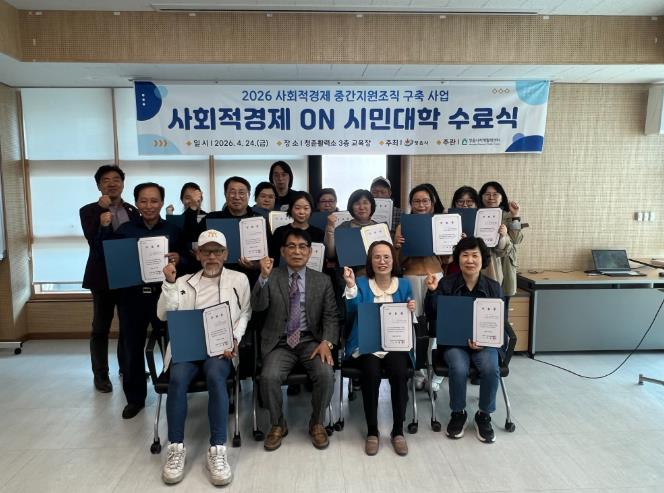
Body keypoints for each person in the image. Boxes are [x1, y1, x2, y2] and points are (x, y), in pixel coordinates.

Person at [156, 229, 251, 486]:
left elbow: (245, 313)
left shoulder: (239, 279)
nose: (212, 257)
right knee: (177, 378)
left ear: (226, 254)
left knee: (215, 375)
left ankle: (217, 449)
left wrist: (235, 338)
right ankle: (176, 447)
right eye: (206, 252)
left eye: (217, 251)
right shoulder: (183, 281)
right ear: (197, 255)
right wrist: (169, 284)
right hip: (187, 348)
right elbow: (164, 314)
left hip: (221, 348)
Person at [100, 182, 186, 419]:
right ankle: (135, 399)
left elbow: (189, 261)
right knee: (132, 348)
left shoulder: (173, 229)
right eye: (144, 201)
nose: (149, 206)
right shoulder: (125, 230)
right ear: (136, 203)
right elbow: (109, 256)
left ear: (161, 202)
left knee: (173, 345)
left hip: (164, 295)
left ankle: (175, 390)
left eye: (154, 201)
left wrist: (180, 259)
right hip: (132, 298)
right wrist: (104, 228)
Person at [251, 229, 339, 451]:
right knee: (268, 377)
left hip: (311, 341)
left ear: (310, 252)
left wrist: (327, 342)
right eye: (291, 246)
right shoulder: (271, 276)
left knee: (326, 374)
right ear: (282, 251)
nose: (297, 251)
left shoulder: (323, 280)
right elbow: (257, 306)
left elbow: (331, 316)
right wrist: (263, 277)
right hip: (280, 342)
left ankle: (317, 423)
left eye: (302, 247)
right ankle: (278, 424)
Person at [424, 236, 508, 443]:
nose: (470, 260)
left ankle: (484, 415)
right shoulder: (446, 284)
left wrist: (484, 340)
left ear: (482, 259)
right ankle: (458, 413)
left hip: (485, 344)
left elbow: (500, 322)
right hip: (454, 343)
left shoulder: (494, 287)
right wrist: (432, 292)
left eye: (475, 255)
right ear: (458, 258)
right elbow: (433, 314)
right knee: (459, 367)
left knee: (491, 367)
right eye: (465, 255)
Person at [342, 241, 415, 456]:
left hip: (395, 343)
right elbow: (352, 311)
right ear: (370, 261)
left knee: (399, 372)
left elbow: (409, 318)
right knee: (371, 372)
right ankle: (372, 431)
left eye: (386, 257)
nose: (382, 261)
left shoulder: (404, 285)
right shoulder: (361, 283)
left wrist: (411, 308)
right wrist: (351, 287)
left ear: (393, 260)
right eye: (377, 257)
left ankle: (398, 431)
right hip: (367, 341)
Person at [80, 164, 140, 393]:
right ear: (98, 185)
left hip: (127, 276)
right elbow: (93, 242)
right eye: (106, 180)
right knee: (100, 328)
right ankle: (101, 375)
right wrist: (101, 216)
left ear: (123, 184)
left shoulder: (133, 211)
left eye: (116, 179)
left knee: (127, 326)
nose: (112, 183)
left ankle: (127, 368)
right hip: (101, 277)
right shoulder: (88, 211)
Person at [394, 184, 447, 391]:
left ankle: (436, 371)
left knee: (436, 322)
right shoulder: (404, 225)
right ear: (411, 204)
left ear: (432, 203)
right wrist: (397, 246)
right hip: (409, 276)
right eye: (416, 201)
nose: (421, 205)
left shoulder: (440, 223)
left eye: (425, 201)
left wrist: (453, 241)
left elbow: (447, 258)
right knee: (414, 324)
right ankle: (418, 371)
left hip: (435, 276)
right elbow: (396, 263)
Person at [204, 176, 262, 285]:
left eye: (241, 193)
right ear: (225, 194)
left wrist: (256, 265)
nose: (237, 197)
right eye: (232, 192)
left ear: (249, 195)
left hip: (252, 279)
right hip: (218, 278)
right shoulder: (212, 218)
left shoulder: (259, 220)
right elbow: (196, 247)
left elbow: (270, 253)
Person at [478, 181, 524, 311]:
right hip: (485, 264)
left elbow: (516, 239)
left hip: (505, 264)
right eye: (487, 194)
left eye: (495, 194)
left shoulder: (509, 215)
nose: (491, 197)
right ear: (481, 197)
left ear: (502, 197)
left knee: (502, 308)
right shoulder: (477, 215)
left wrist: (515, 216)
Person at [269, 191, 325, 267]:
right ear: (291, 209)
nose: (301, 212)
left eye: (306, 208)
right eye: (297, 208)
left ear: (311, 210)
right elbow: (273, 258)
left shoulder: (319, 233)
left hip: (312, 273)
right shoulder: (280, 232)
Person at [325, 189, 377, 262]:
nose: (361, 207)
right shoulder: (343, 228)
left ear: (372, 205)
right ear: (351, 207)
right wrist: (330, 230)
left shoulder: (380, 228)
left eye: (365, 203)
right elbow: (331, 255)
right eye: (357, 203)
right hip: (348, 268)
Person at [166, 182, 207, 274]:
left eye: (195, 197)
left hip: (205, 267)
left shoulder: (209, 217)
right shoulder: (176, 221)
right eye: (188, 198)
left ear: (201, 198)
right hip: (183, 268)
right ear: (182, 200)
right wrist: (169, 217)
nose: (192, 200)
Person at [446, 185, 481, 276]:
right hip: (454, 264)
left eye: (469, 202)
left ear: (476, 204)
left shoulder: (482, 219)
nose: (465, 205)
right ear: (454, 204)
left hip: (476, 265)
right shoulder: (447, 218)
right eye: (460, 201)